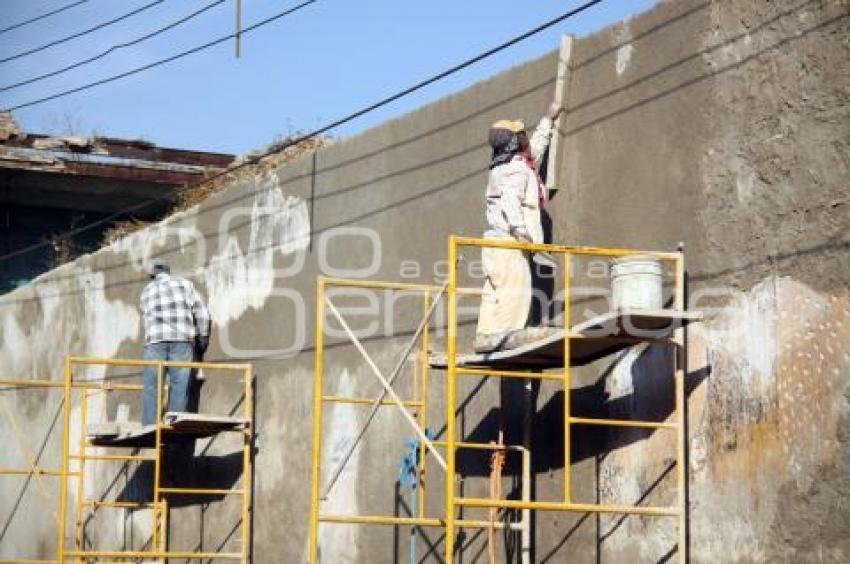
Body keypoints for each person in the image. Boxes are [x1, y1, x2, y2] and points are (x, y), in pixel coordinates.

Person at [474, 102, 564, 353]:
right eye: (520, 134)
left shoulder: (507, 166)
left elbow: (534, 151)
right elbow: (511, 200)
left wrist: (548, 119)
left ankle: (486, 336)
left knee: (495, 291)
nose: (525, 136)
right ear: (514, 142)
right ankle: (505, 340)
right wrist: (519, 229)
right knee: (516, 293)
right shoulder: (517, 170)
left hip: (493, 243)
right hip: (509, 242)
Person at [139, 259, 211, 426]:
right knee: (179, 384)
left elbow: (146, 318)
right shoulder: (185, 284)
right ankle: (174, 422)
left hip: (154, 342)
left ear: (153, 274)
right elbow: (202, 313)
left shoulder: (146, 291)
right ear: (168, 271)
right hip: (181, 340)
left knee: (152, 385)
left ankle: (150, 426)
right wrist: (203, 337)